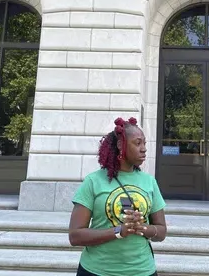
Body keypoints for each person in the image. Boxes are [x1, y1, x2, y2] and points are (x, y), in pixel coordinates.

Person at [69, 117, 167, 276]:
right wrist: (118, 231)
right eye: (137, 143)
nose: (144, 149)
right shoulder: (93, 181)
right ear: (121, 145)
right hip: (97, 271)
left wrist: (142, 227)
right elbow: (75, 236)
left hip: (142, 271)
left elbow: (161, 232)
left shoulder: (149, 182)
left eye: (144, 143)